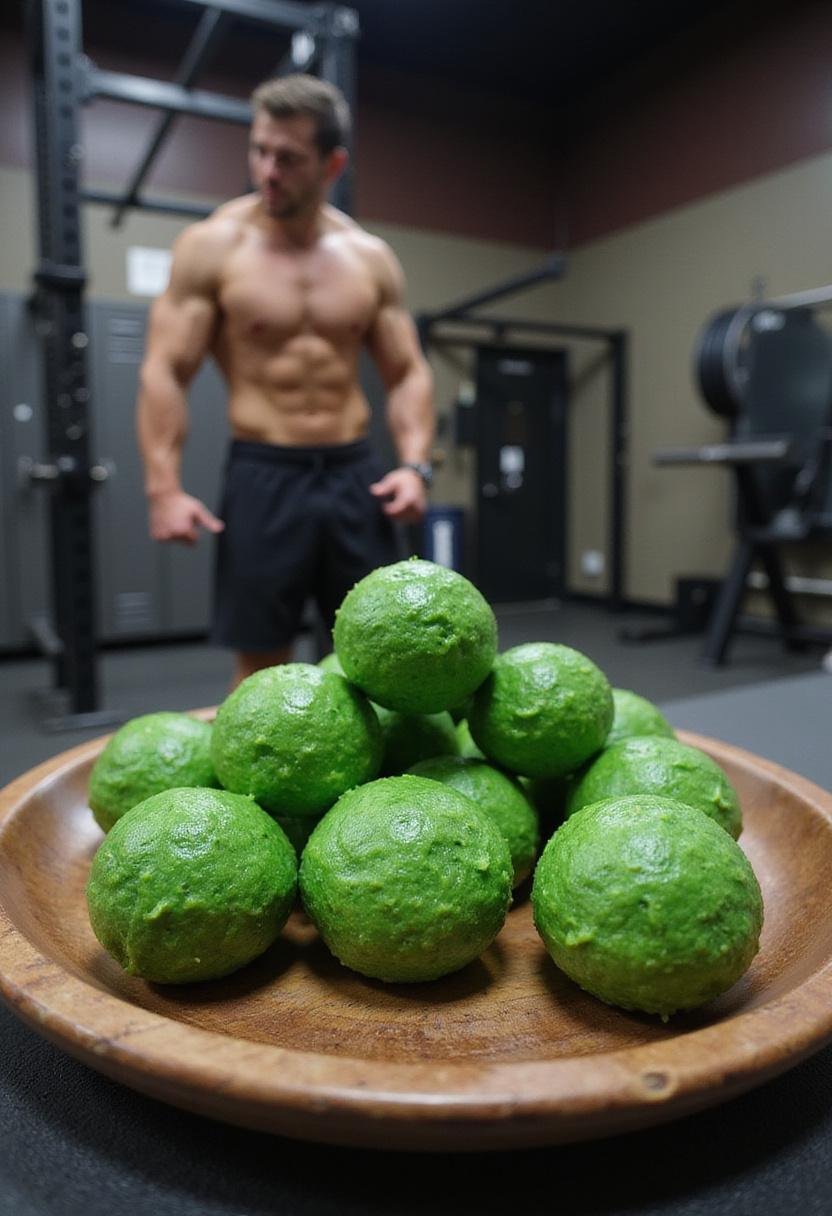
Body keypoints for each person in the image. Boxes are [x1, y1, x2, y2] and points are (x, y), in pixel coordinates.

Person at [137, 74, 436, 688]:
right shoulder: (213, 247)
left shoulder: (368, 257)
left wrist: (414, 464)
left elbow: (407, 371)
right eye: (259, 151)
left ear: (332, 164)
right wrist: (163, 489)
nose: (267, 171)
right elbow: (165, 368)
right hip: (264, 473)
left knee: (383, 652)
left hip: (355, 475)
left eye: (289, 158)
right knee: (261, 660)